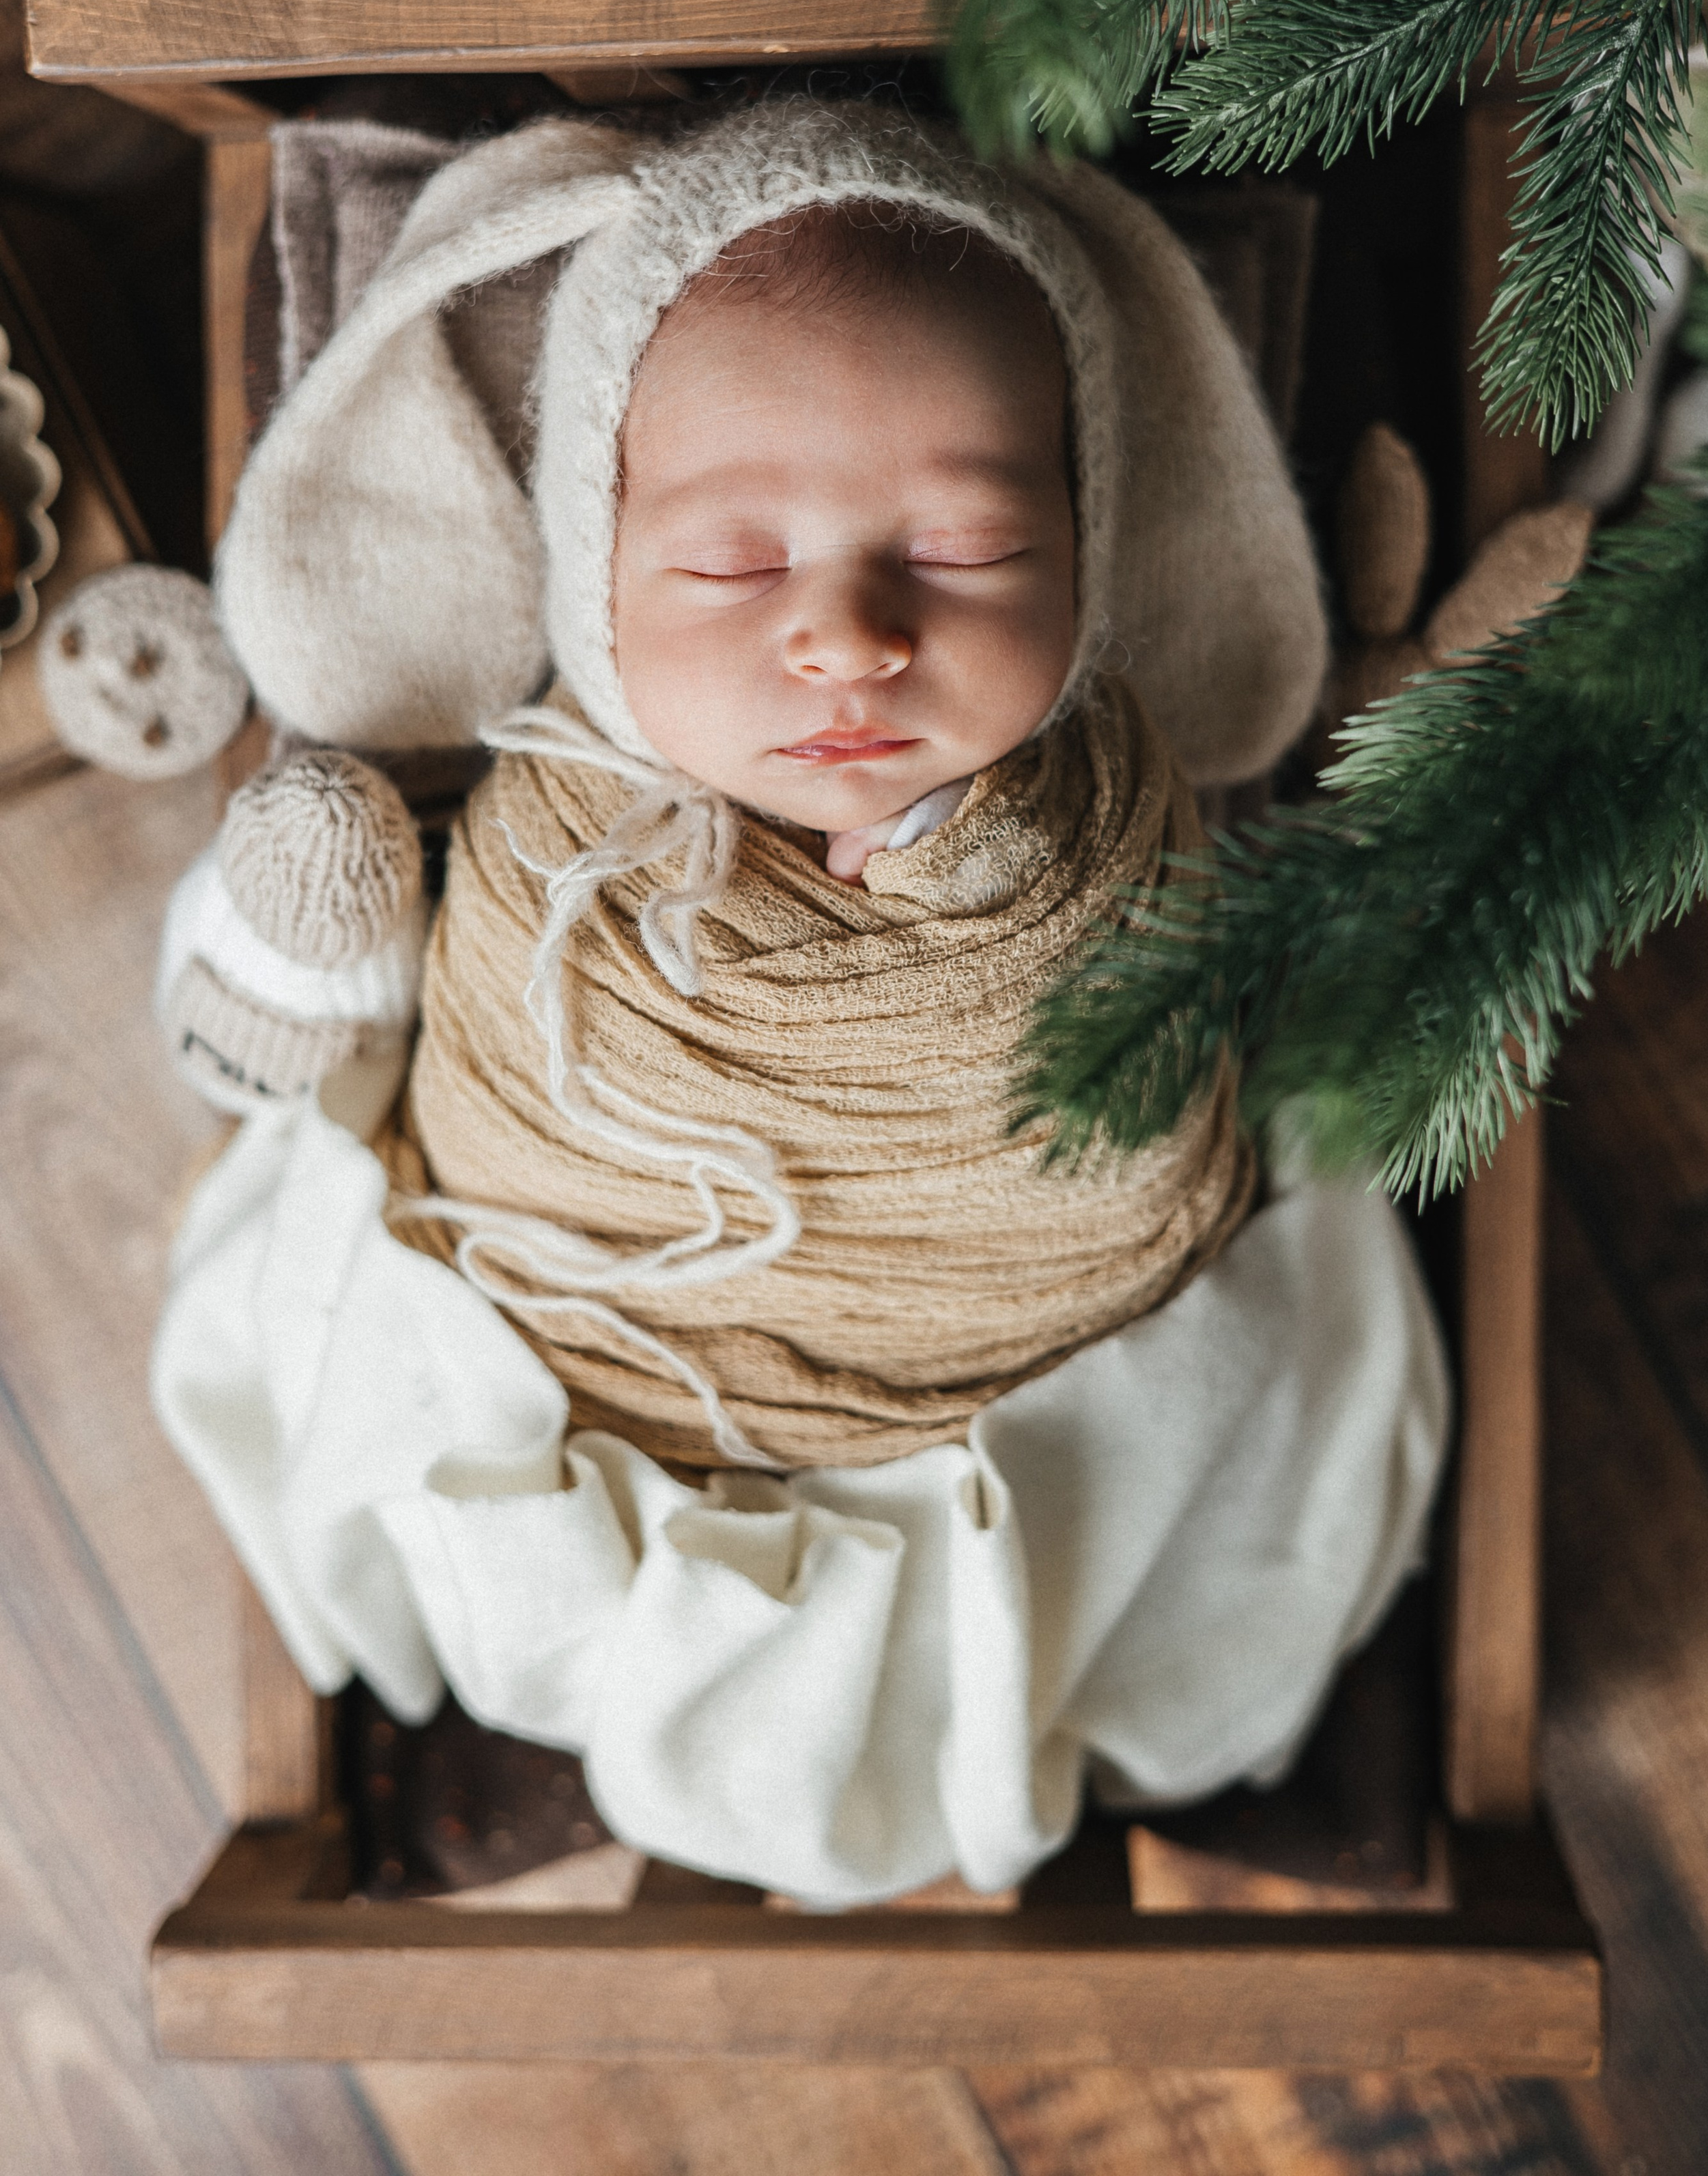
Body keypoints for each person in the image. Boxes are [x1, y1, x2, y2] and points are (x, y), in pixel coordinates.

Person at [155, 100, 1447, 1906]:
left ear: (1088, 553)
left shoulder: (1113, 825)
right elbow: (437, 1064)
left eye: (968, 547)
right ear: (594, 567)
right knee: (380, 1342)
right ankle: (616, 1704)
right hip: (604, 1364)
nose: (851, 635)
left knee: (1223, 1433)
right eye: (734, 563)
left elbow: (1171, 1093)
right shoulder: (545, 841)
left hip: (1027, 1379)